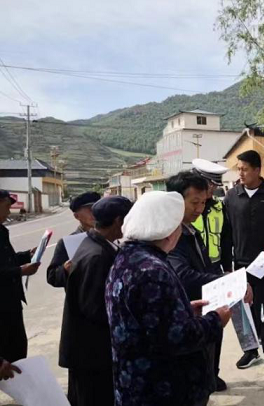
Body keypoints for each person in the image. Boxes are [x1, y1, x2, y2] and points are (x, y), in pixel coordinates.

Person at [105, 191, 231, 406]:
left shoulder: (128, 258)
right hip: (161, 389)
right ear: (168, 231)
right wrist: (215, 320)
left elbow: (147, 317)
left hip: (135, 383)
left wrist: (183, 309)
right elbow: (177, 338)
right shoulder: (152, 271)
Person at [166, 170, 252, 392]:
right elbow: (183, 275)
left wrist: (226, 276)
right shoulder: (169, 235)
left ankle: (212, 375)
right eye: (194, 203)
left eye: (203, 202)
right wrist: (229, 281)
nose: (199, 209)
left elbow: (214, 253)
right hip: (188, 306)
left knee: (212, 341)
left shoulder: (190, 229)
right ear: (176, 201)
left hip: (206, 295)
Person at [59, 195, 132, 406]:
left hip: (89, 351)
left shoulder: (96, 243)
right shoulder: (97, 255)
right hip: (91, 353)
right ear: (118, 221)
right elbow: (96, 308)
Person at [224, 150, 264, 374]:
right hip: (241, 263)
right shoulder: (232, 196)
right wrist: (227, 265)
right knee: (245, 309)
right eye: (239, 169)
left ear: (257, 170)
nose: (240, 173)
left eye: (244, 169)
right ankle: (250, 350)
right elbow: (226, 233)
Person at [0, 189, 40, 363]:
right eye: (7, 207)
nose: (9, 212)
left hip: (11, 302)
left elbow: (6, 261)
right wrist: (20, 271)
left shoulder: (2, 231)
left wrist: (26, 256)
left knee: (17, 352)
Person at [47, 191, 100, 288]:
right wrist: (65, 269)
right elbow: (52, 277)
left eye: (97, 209)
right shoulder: (67, 243)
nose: (95, 213)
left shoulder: (108, 236)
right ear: (76, 216)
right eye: (90, 210)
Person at [191, 159, 233, 274]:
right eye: (210, 184)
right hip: (192, 268)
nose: (212, 188)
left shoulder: (219, 207)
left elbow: (225, 240)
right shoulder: (184, 206)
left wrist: (228, 268)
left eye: (215, 185)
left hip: (215, 268)